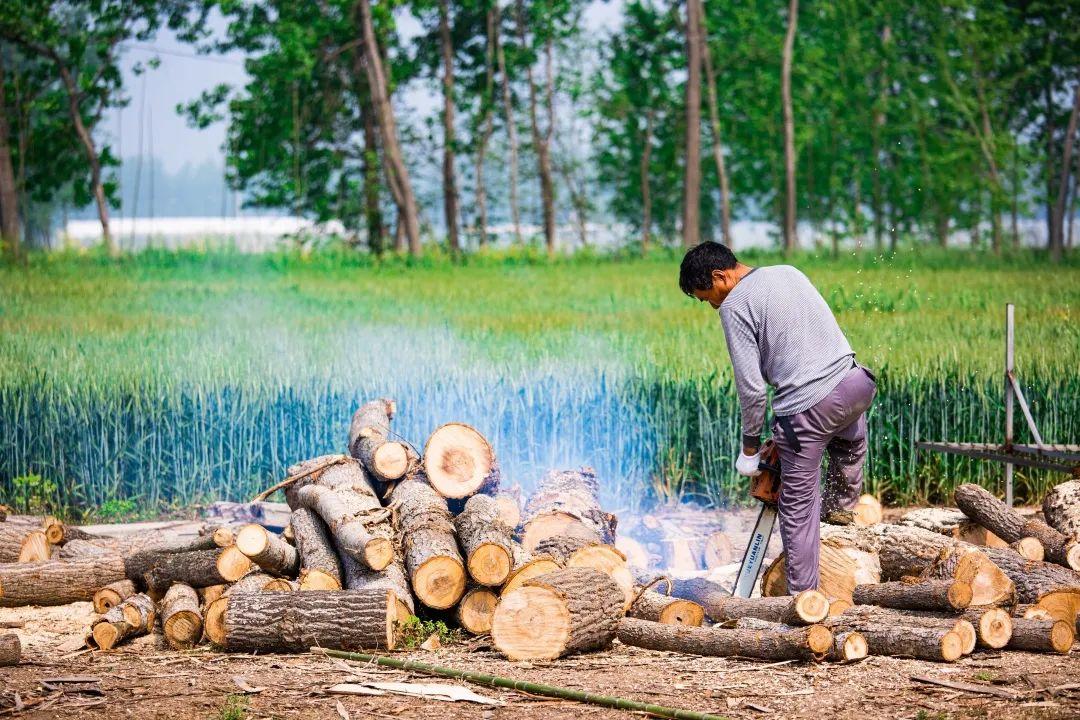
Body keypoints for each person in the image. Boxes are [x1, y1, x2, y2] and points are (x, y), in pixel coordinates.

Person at [678, 241, 877, 592]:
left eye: (705, 296)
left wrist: (750, 449)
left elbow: (752, 389)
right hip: (856, 384)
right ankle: (841, 508)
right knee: (849, 443)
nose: (710, 304)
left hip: (810, 409)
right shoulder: (787, 272)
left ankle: (802, 601)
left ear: (719, 276)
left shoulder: (734, 306)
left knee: (797, 510)